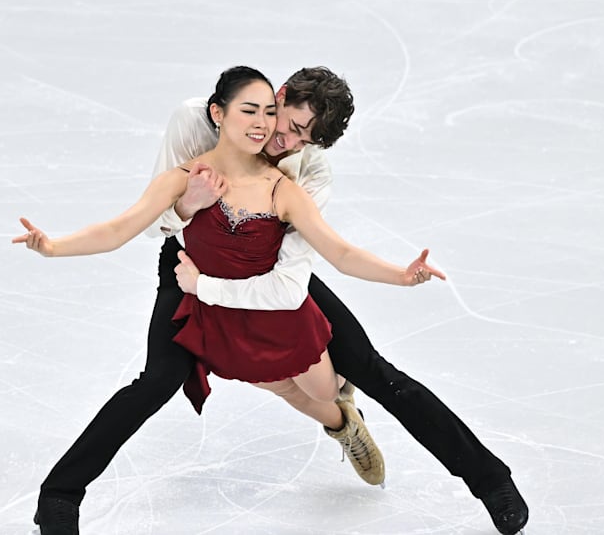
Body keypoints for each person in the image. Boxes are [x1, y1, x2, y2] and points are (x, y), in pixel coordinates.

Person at [28, 66, 528, 535]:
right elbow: (139, 224)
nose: (284, 141)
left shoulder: (301, 176)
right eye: (287, 124)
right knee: (157, 380)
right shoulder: (200, 123)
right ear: (275, 100)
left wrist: (401, 275)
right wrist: (184, 208)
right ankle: (60, 495)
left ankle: (491, 482)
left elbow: (318, 263)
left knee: (379, 374)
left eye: (302, 138)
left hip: (266, 271)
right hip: (188, 266)